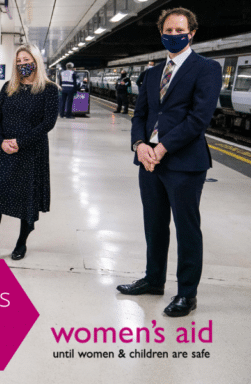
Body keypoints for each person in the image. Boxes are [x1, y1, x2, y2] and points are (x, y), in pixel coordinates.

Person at [117, 7, 222, 317]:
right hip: (148, 161)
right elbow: (140, 114)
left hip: (185, 162)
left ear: (192, 33)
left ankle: (187, 294)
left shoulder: (207, 68)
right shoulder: (151, 73)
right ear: (160, 32)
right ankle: (153, 279)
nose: (173, 35)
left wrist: (161, 148)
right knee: (154, 224)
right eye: (168, 30)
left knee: (187, 228)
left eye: (180, 30)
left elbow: (198, 119)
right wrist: (139, 145)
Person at [0, 44, 59, 260]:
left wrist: (20, 142)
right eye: (18, 62)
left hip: (31, 151)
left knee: (27, 198)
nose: (22, 65)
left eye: (26, 61)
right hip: (4, 150)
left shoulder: (49, 89)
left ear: (36, 61)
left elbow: (48, 123)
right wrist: (1, 141)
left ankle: (21, 243)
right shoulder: (9, 86)